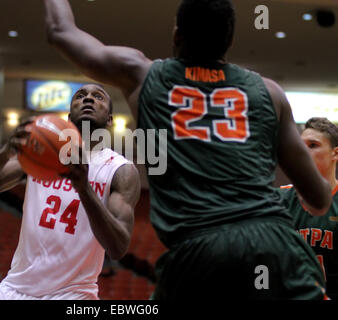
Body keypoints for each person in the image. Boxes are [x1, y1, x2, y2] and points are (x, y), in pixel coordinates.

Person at [42, 0, 332, 299]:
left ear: (177, 35)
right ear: (229, 39)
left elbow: (60, 31)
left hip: (199, 252)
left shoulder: (142, 74)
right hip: (276, 246)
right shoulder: (269, 93)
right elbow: (319, 199)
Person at [0, 84, 140, 300]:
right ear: (68, 118)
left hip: (73, 295)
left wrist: (85, 190)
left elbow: (118, 247)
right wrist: (5, 152)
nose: (88, 99)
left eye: (98, 97)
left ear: (109, 119)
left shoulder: (120, 170)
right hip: (15, 288)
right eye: (80, 96)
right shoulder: (40, 154)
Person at [280, 117, 338, 299]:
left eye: (313, 145)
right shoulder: (278, 200)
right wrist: (262, 288)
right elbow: (261, 263)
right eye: (301, 145)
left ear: (335, 154)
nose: (303, 152)